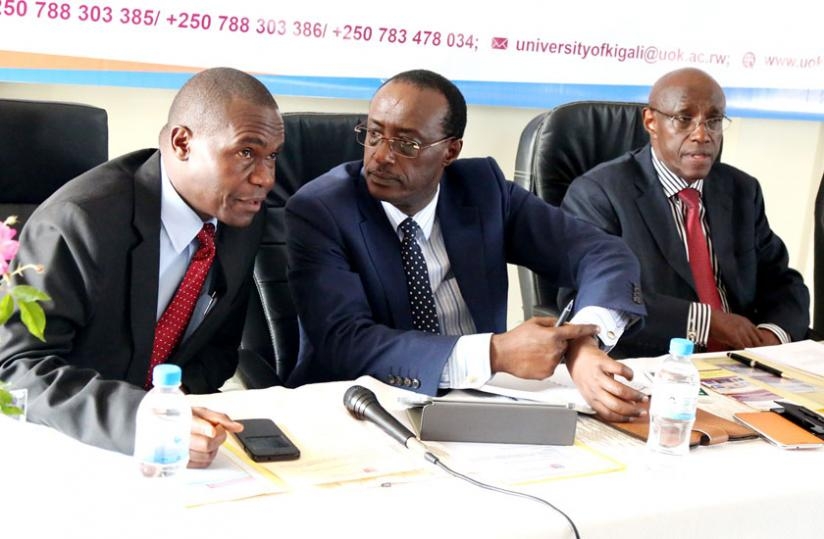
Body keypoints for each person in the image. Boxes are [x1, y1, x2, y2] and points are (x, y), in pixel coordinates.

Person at [285, 69, 648, 421]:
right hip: (365, 407)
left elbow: (602, 254)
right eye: (374, 134)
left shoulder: (483, 190)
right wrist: (494, 353)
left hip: (482, 406)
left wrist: (583, 344)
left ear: (450, 151)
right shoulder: (323, 210)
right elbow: (346, 342)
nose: (380, 156)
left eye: (406, 143)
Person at [0, 67, 285, 465]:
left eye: (272, 156)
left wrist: (177, 403)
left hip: (173, 448)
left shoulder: (241, 220)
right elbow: (16, 369)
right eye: (245, 153)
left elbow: (219, 349)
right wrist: (142, 419)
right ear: (182, 143)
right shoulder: (79, 222)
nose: (266, 178)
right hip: (71, 442)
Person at [561, 67, 809, 358]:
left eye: (714, 121)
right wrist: (704, 323)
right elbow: (595, 297)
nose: (702, 134)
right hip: (653, 364)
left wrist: (773, 335)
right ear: (651, 121)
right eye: (684, 119)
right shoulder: (599, 193)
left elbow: (782, 281)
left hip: (743, 363)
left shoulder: (742, 190)